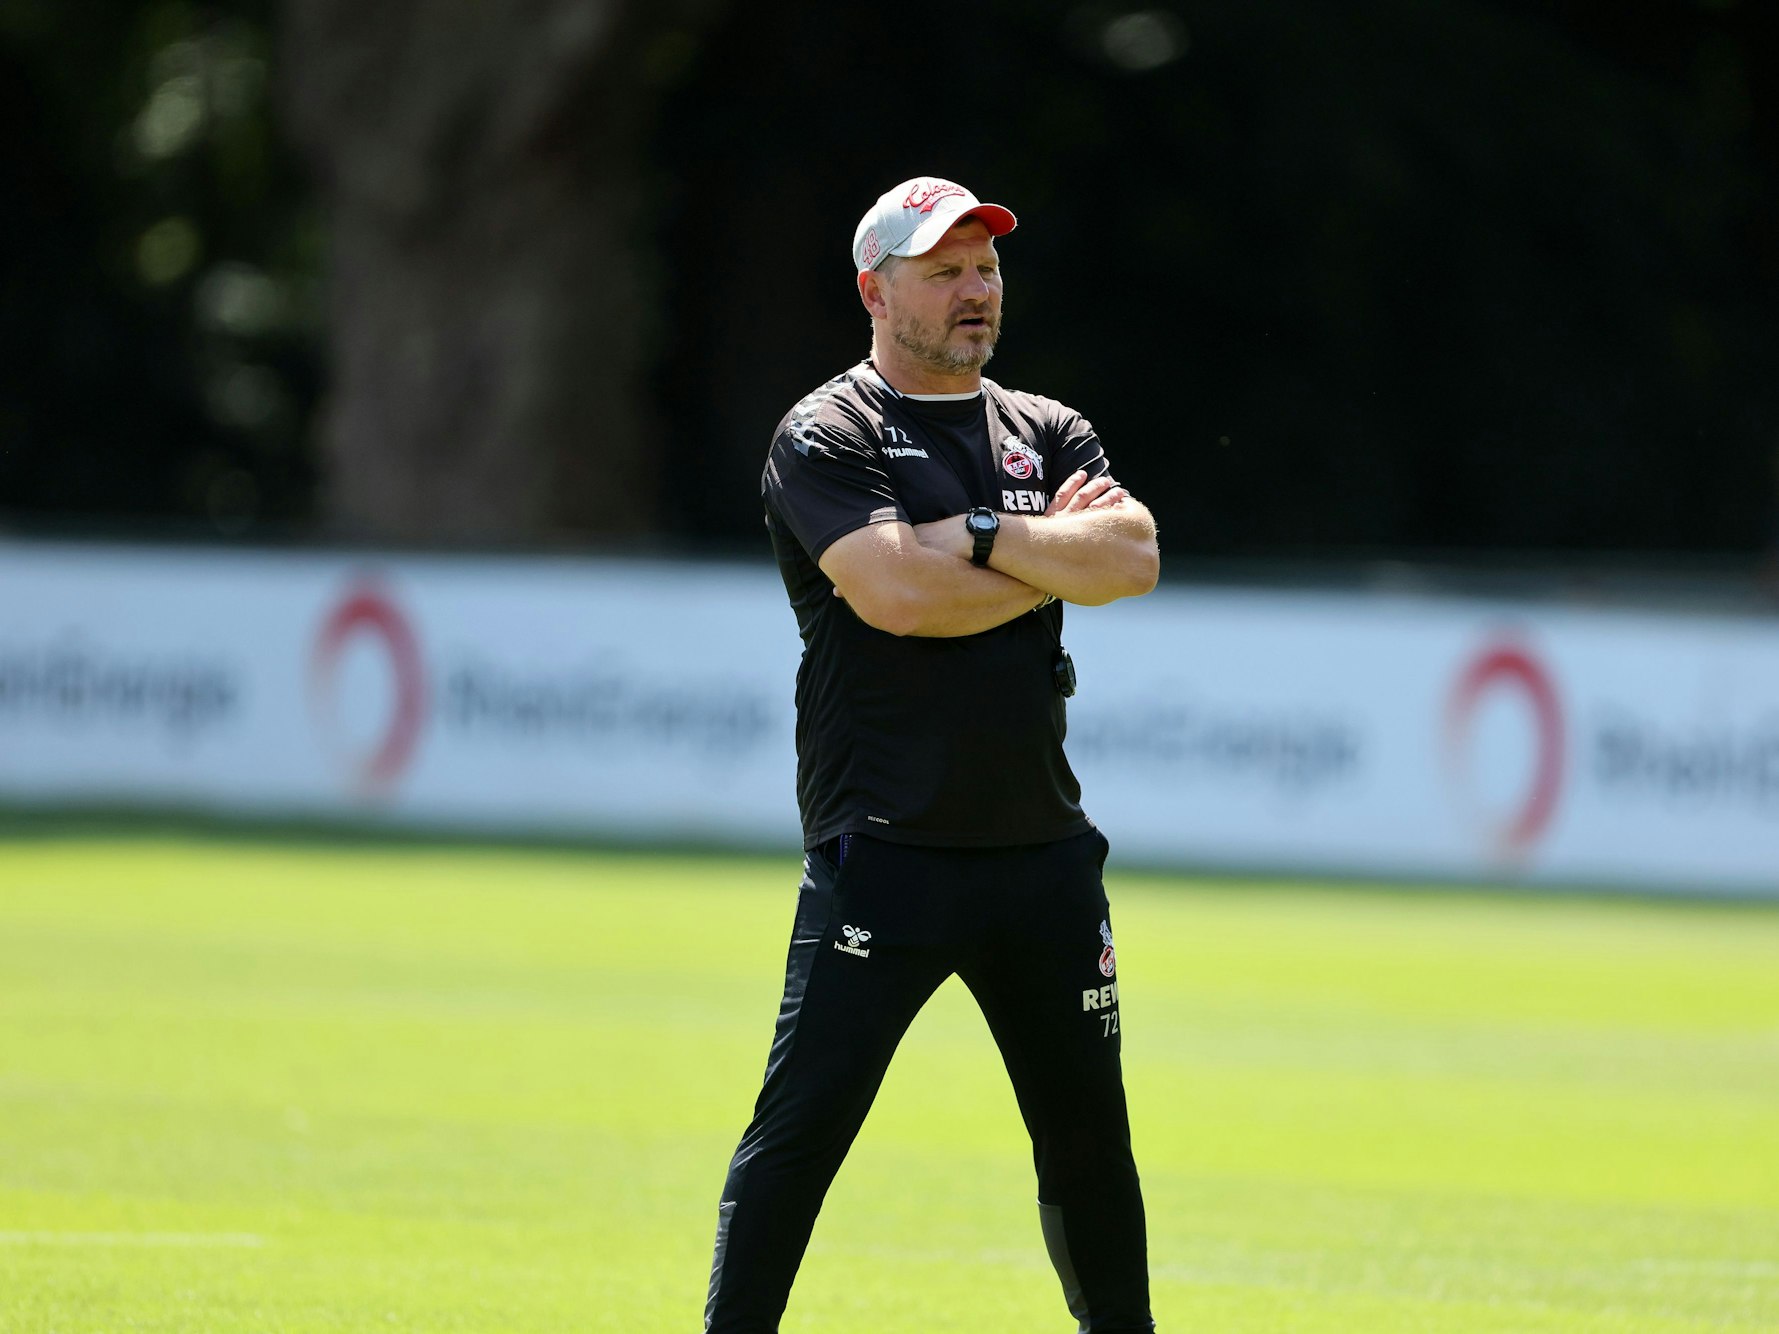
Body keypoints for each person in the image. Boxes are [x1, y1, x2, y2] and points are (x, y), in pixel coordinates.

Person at [704, 176, 1161, 1333]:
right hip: (888, 851)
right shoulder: (829, 430)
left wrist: (984, 532)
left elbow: (1133, 559)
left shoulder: (1046, 428)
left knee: (1089, 1143)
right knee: (802, 1132)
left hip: (1043, 853)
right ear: (876, 291)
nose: (976, 291)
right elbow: (897, 595)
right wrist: (1045, 556)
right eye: (945, 271)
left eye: (987, 269)